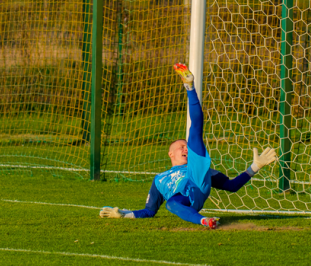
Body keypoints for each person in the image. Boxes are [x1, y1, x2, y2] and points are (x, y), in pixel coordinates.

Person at [99, 63, 277, 229]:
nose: (185, 149)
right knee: (171, 203)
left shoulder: (202, 169)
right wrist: (123, 214)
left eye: (186, 147)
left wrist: (255, 167)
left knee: (195, 131)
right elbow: (149, 211)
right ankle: (205, 221)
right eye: (181, 147)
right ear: (170, 154)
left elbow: (231, 186)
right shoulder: (159, 180)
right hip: (182, 201)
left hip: (196, 178)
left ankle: (189, 86)